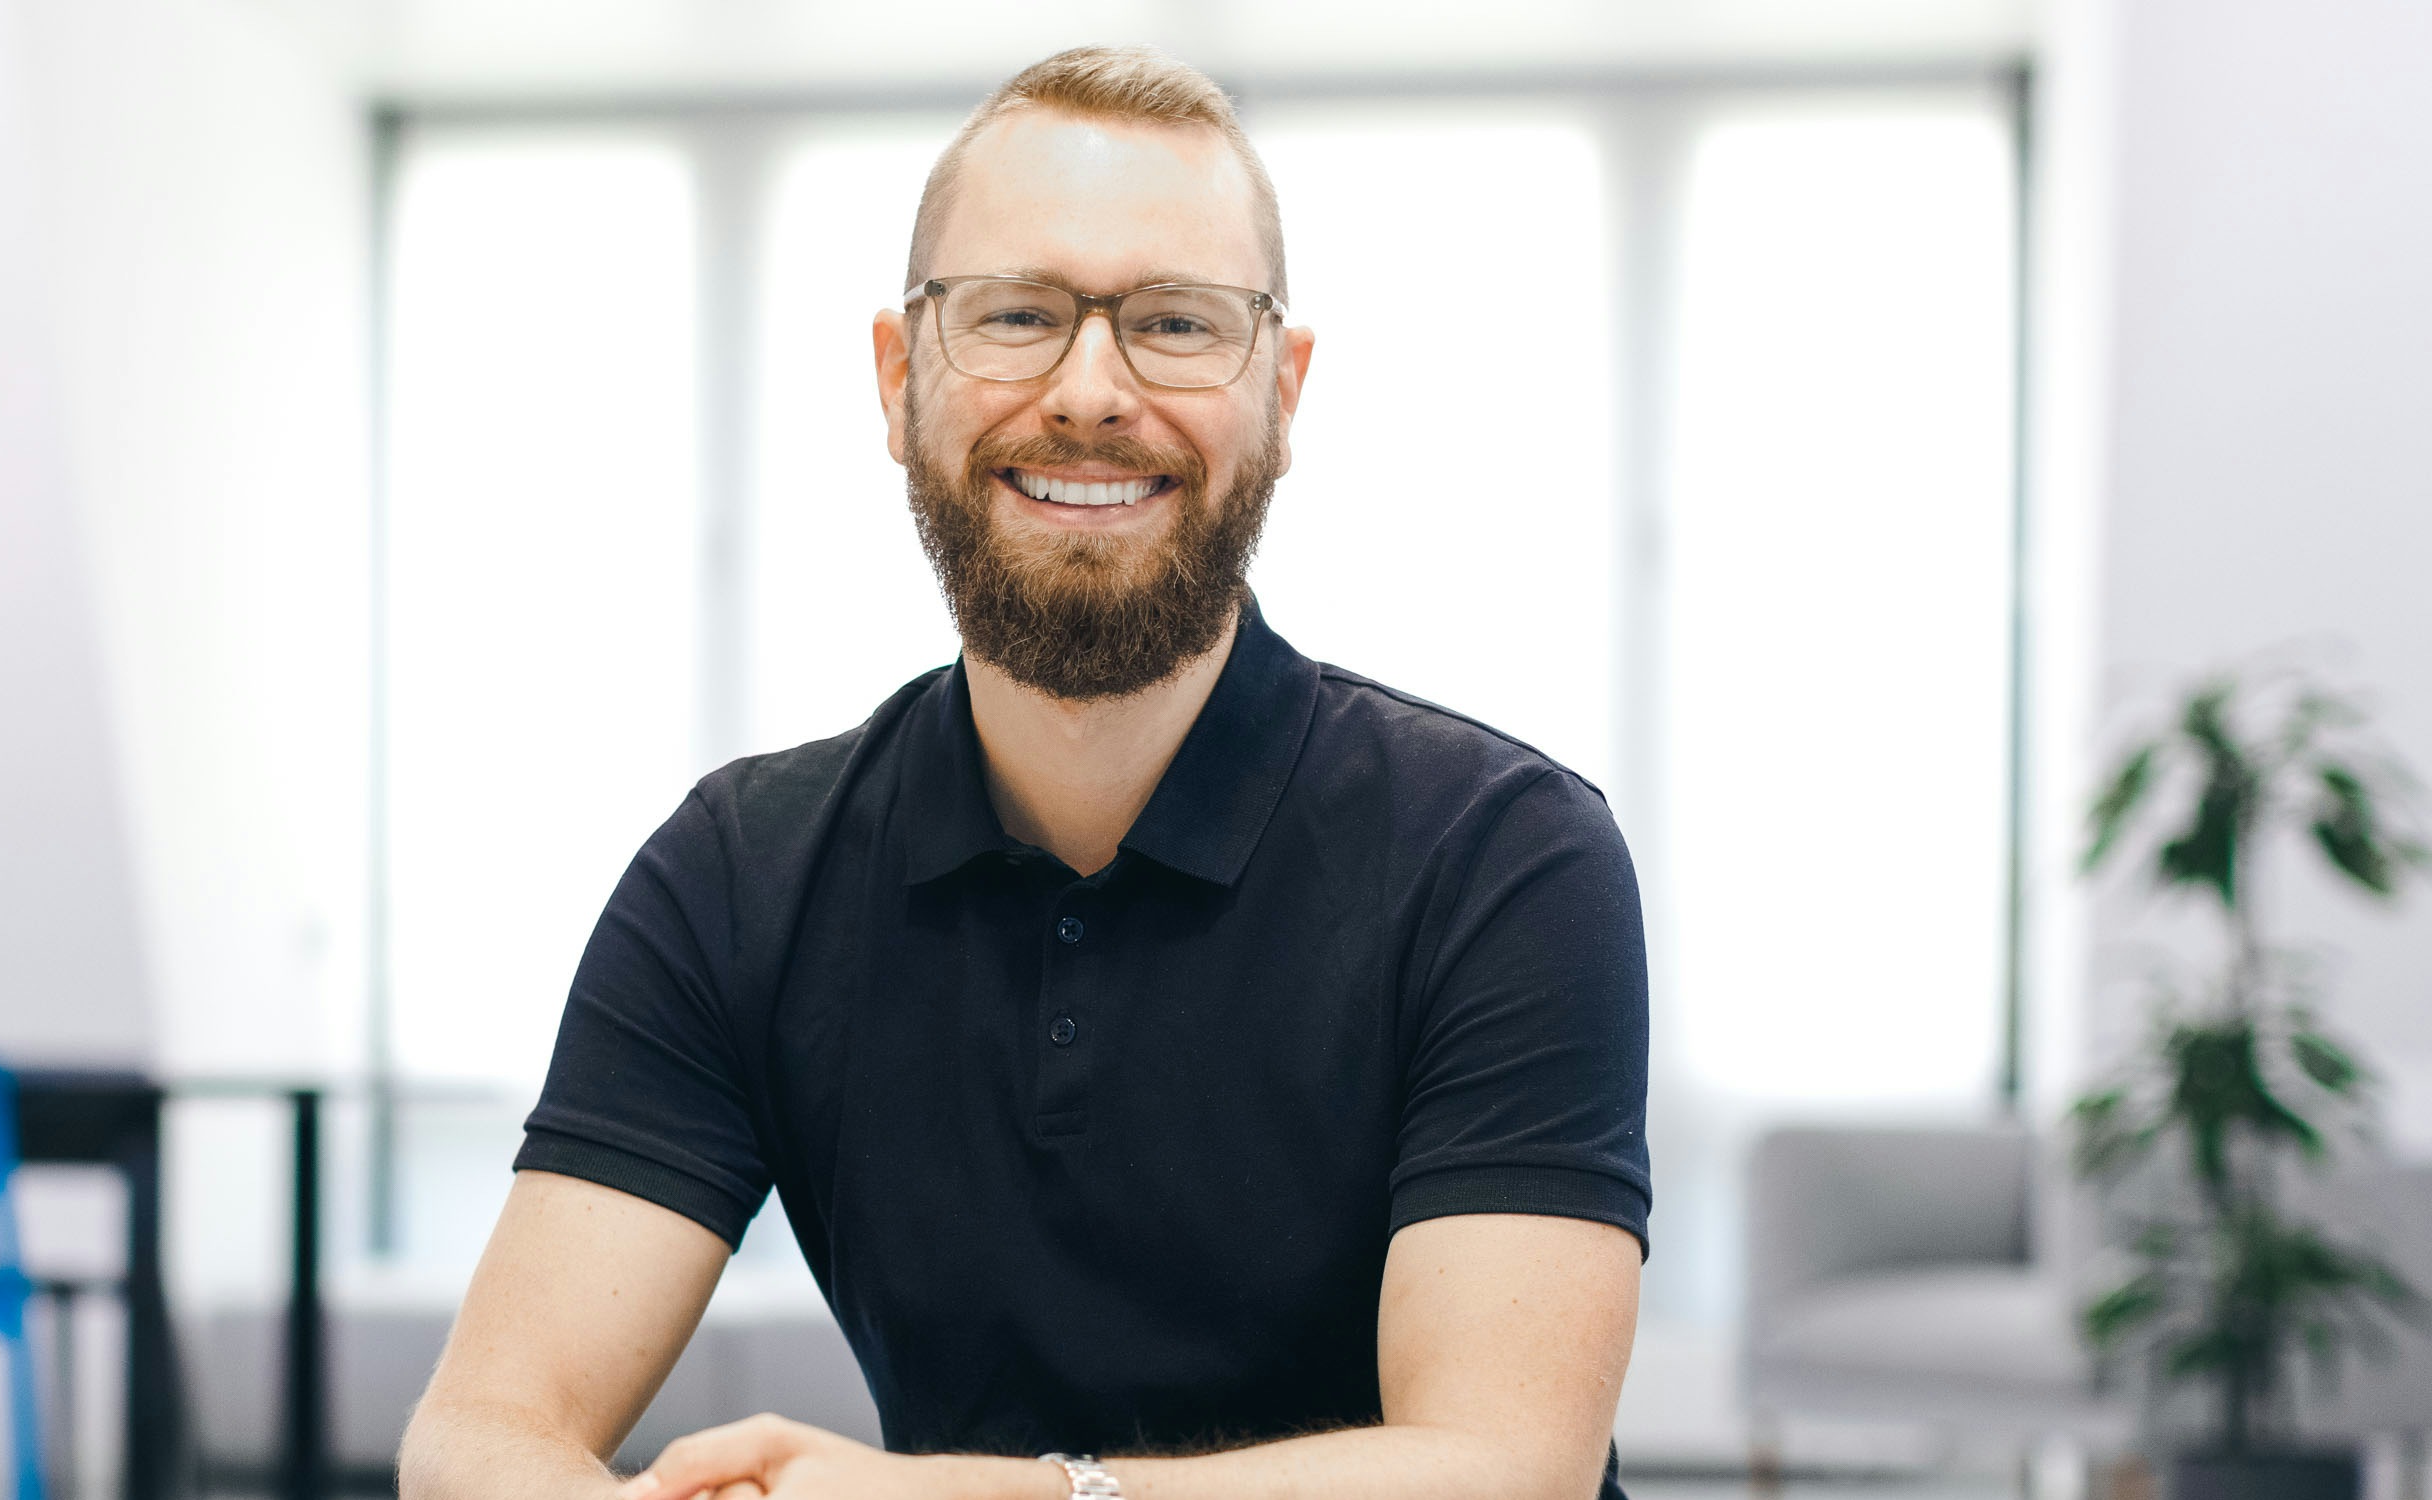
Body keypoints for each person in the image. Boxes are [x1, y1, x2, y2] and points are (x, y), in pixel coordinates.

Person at [398, 44, 1649, 1500]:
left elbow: (1501, 1475)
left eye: (1177, 322)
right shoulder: (741, 874)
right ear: (895, 375)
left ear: (1286, 392)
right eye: (1018, 315)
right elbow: (478, 1436)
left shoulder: (1503, 856)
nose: (1092, 391)